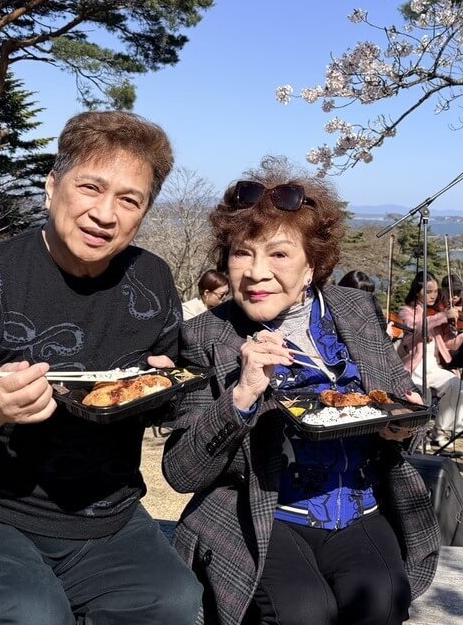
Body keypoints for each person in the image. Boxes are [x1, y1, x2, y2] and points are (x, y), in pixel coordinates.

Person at [0, 111, 203, 624]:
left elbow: (160, 401)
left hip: (105, 517)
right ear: (52, 186)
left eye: (129, 200)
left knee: (175, 603)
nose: (105, 213)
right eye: (90, 187)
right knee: (29, 614)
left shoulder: (152, 280)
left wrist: (161, 391)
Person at [162, 164, 440, 625]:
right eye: (242, 253)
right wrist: (243, 393)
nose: (256, 273)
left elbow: (397, 396)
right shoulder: (206, 335)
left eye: (279, 254)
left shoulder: (355, 309)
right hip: (263, 513)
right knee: (304, 613)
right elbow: (181, 471)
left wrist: (400, 426)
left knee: (384, 600)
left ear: (312, 265)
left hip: (360, 504)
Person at [397, 271, 463, 448]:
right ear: (418, 291)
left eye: (436, 291)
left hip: (433, 367)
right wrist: (442, 317)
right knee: (423, 397)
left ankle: (439, 431)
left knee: (458, 386)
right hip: (414, 368)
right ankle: (417, 436)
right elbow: (415, 329)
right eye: (428, 291)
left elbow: (449, 344)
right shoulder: (407, 312)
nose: (433, 295)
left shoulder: (437, 312)